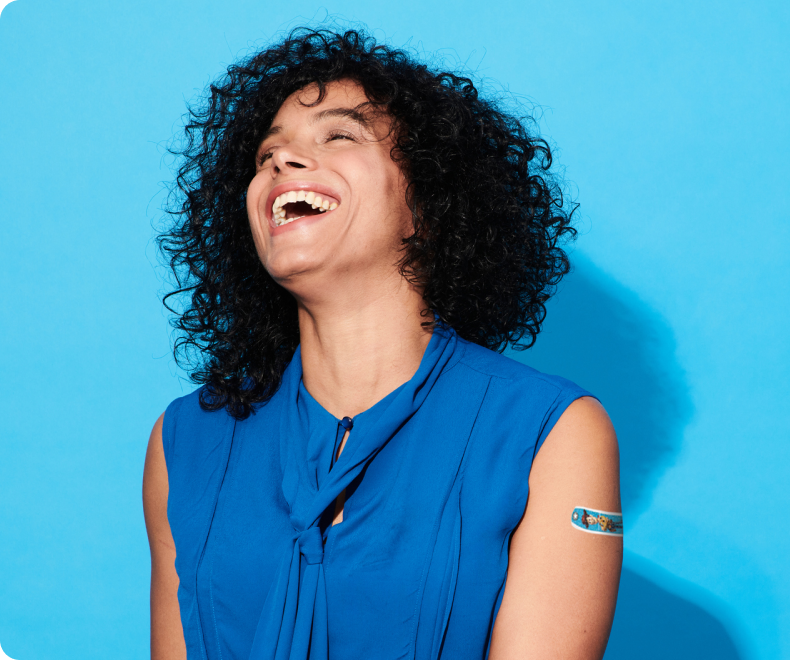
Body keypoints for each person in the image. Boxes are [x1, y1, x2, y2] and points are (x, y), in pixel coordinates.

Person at [143, 26, 622, 660]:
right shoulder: (184, 440)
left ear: (427, 200)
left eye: (338, 136)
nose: (282, 161)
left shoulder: (554, 433)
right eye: (267, 154)